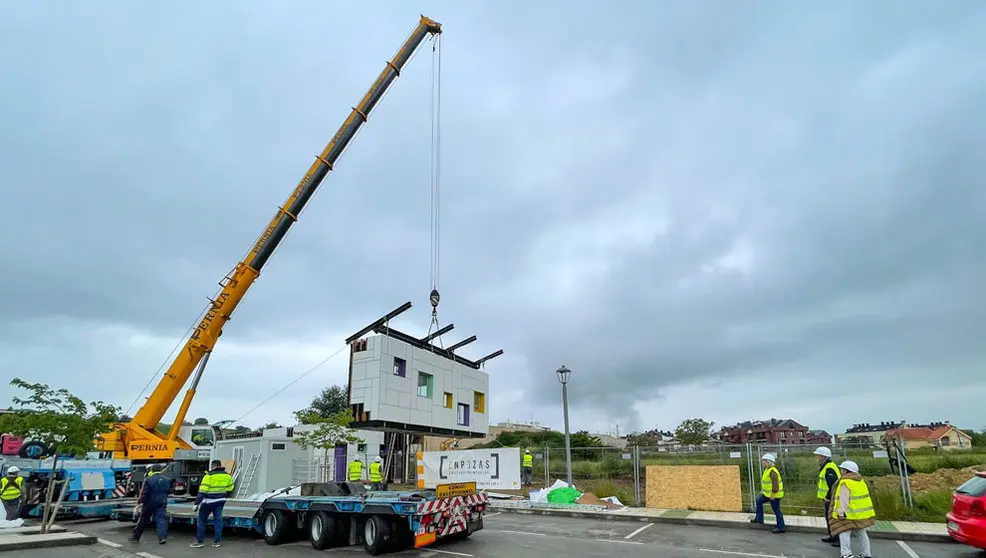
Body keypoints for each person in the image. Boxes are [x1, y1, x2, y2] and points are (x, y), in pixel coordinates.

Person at [829, 460, 876, 558]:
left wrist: (840, 513)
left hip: (848, 513)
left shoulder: (845, 482)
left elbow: (843, 499)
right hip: (861, 513)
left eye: (842, 469)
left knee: (844, 532)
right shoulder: (860, 480)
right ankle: (867, 553)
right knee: (861, 532)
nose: (841, 471)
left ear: (846, 471)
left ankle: (846, 554)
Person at [190, 460, 233, 548]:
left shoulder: (208, 476)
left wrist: (196, 503)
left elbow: (202, 491)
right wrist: (223, 495)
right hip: (220, 501)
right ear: (220, 466)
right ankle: (217, 542)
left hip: (208, 502)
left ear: (213, 466)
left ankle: (200, 541)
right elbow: (230, 488)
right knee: (218, 521)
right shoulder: (227, 476)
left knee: (202, 520)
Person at [128, 464, 170, 544]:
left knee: (143, 520)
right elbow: (168, 491)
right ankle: (162, 538)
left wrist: (139, 503)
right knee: (161, 520)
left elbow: (144, 493)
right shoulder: (167, 479)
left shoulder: (148, 479)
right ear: (160, 470)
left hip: (149, 503)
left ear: (152, 470)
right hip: (162, 502)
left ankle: (136, 537)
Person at [750, 453, 785, 533]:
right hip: (767, 494)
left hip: (774, 495)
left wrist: (773, 494)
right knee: (758, 501)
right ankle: (759, 519)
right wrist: (764, 490)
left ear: (769, 462)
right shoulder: (767, 470)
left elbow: (775, 485)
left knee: (776, 510)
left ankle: (781, 527)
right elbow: (767, 483)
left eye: (764, 461)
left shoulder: (773, 472)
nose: (763, 463)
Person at [813, 446, 842, 544]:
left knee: (833, 518)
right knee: (829, 517)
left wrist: (828, 497)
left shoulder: (829, 468)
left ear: (823, 457)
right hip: (827, 498)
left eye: (818, 456)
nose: (817, 457)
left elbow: (833, 485)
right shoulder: (826, 466)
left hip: (830, 498)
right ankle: (832, 536)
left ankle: (838, 538)